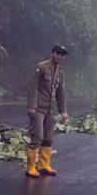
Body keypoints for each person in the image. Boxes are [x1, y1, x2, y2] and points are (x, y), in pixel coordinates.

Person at [25, 45, 68, 178]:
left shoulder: (59, 72)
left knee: (48, 137)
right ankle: (31, 167)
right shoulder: (42, 67)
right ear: (52, 53)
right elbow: (33, 88)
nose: (60, 56)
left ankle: (44, 165)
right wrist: (32, 106)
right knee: (37, 136)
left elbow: (61, 92)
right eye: (58, 53)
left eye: (62, 54)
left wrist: (63, 111)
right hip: (39, 108)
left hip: (51, 109)